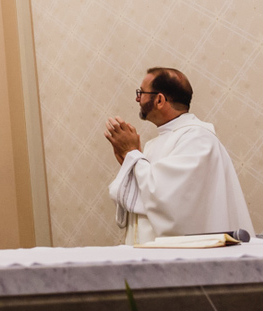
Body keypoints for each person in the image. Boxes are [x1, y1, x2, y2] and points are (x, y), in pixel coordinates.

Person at [105, 67, 255, 245]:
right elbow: (143, 200)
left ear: (159, 100)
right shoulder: (154, 144)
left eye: (141, 93)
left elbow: (170, 203)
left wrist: (132, 154)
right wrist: (131, 163)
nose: (137, 98)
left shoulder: (197, 138)